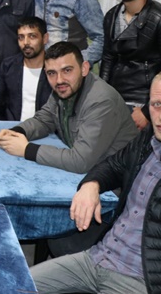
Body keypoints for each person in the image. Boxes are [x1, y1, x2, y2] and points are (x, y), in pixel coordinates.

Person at [30, 73, 161, 294]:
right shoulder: (148, 140)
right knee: (15, 283)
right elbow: (114, 165)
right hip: (97, 257)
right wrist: (91, 184)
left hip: (139, 280)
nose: (159, 117)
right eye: (156, 105)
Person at [0, 41, 138, 173]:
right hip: (91, 173)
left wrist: (26, 149)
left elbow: (80, 161)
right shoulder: (65, 89)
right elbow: (44, 119)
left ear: (84, 69)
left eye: (67, 70)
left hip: (117, 183)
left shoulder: (102, 101)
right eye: (52, 73)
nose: (59, 80)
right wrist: (16, 133)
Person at [101, 0, 161, 131]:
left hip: (144, 103)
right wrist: (100, 97)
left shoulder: (158, 18)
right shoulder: (111, 15)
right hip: (115, 99)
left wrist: (147, 111)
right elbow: (108, 58)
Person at [0, 17, 52, 121]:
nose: (26, 42)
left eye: (32, 36)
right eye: (21, 37)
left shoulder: (55, 69)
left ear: (45, 38)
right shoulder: (8, 67)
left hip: (46, 129)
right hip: (12, 128)